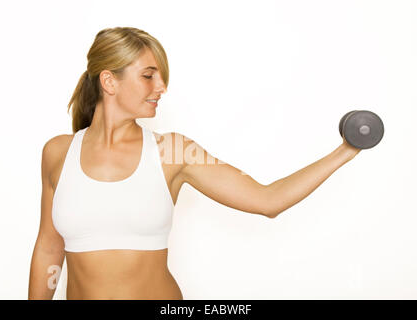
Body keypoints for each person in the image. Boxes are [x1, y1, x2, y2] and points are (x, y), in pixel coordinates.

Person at [28, 27, 361, 300]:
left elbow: (267, 200)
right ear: (109, 82)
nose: (161, 87)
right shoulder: (58, 153)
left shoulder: (172, 152)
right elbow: (49, 246)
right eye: (148, 76)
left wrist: (345, 151)